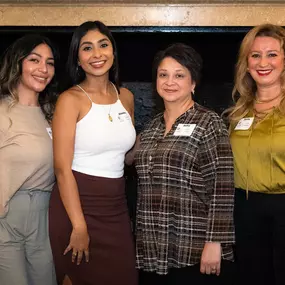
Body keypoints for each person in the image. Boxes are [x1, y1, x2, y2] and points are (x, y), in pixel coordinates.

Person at [129, 43, 235, 285]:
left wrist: (214, 242)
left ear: (193, 83)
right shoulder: (152, 126)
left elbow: (222, 187)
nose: (170, 81)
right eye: (163, 74)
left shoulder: (209, 123)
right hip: (152, 245)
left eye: (179, 75)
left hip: (193, 245)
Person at [48, 20, 138, 285]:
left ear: (113, 51)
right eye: (87, 48)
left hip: (116, 208)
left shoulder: (126, 96)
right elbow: (62, 168)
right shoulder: (69, 100)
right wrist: (79, 225)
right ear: (78, 57)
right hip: (76, 207)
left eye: (103, 45)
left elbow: (124, 155)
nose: (97, 54)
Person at [227, 24, 285, 285]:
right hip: (245, 209)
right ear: (246, 62)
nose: (263, 62)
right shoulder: (239, 111)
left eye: (272, 54)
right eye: (255, 55)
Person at [0, 34, 58, 285]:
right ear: (17, 63)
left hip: (45, 220)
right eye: (34, 60)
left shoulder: (54, 113)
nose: (43, 69)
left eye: (50, 62)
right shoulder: (2, 112)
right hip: (6, 220)